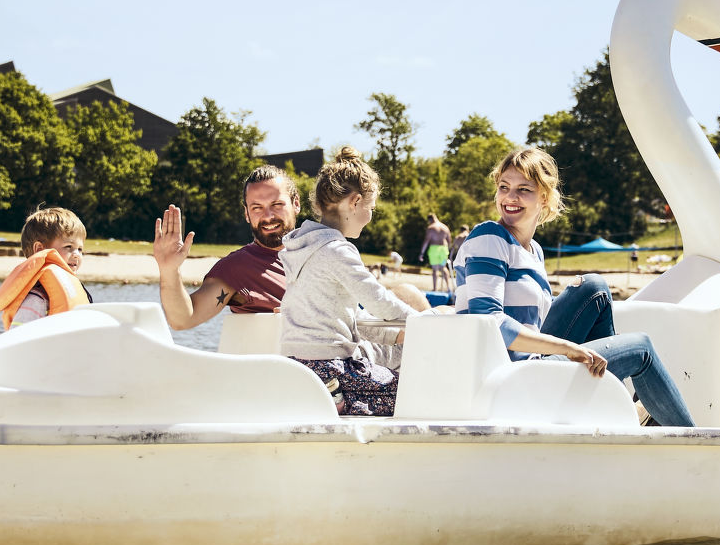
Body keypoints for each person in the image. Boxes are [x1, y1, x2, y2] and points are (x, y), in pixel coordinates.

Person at [454, 147, 695, 427]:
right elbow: (490, 321)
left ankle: (616, 404)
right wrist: (568, 348)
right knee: (640, 347)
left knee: (594, 287)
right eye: (504, 187)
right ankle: (697, 444)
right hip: (510, 377)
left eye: (524, 189)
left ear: (544, 197)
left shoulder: (534, 252)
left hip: (533, 363)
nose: (510, 197)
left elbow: (536, 322)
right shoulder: (489, 237)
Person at [279, 147, 429, 416]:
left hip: (296, 367)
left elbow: (348, 315)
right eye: (370, 208)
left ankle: (338, 398)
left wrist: (395, 334)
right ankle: (342, 401)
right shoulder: (336, 249)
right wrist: (425, 322)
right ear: (355, 201)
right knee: (415, 392)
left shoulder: (301, 247)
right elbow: (379, 301)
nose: (370, 216)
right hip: (330, 367)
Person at [151, 166, 300, 331]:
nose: (268, 216)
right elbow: (183, 319)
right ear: (246, 213)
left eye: (277, 204)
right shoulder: (236, 268)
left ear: (296, 204)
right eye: (257, 208)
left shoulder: (321, 255)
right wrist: (169, 270)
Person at [0, 206, 93, 329]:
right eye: (68, 246)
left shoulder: (70, 287)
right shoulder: (37, 298)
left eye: (80, 249)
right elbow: (19, 338)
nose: (76, 255)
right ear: (39, 249)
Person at [421, 212, 452, 291]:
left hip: (434, 250)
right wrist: (447, 251)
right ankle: (448, 288)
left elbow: (426, 241)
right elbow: (449, 241)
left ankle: (435, 289)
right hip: (443, 250)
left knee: (435, 269)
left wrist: (421, 253)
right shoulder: (445, 227)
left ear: (430, 220)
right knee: (443, 267)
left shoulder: (431, 227)